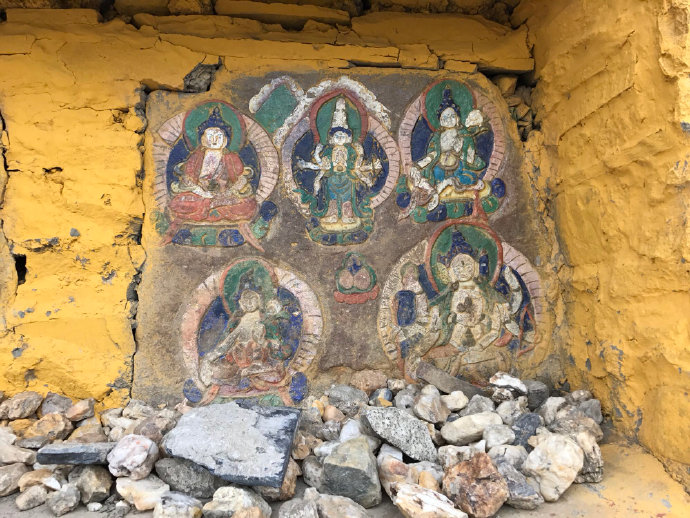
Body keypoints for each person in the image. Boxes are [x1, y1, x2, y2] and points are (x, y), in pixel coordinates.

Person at [169, 108, 257, 223]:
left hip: (225, 196)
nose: (214, 140)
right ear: (202, 139)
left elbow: (241, 179)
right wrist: (201, 192)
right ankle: (213, 208)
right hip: (201, 195)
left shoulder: (231, 158)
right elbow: (187, 179)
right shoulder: (196, 157)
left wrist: (229, 191)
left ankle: (210, 207)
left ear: (225, 140)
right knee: (178, 203)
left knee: (248, 205)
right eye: (210, 136)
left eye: (218, 136)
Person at [413, 87, 487, 196]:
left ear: (457, 119)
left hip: (458, 166)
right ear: (441, 121)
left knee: (470, 178)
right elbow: (433, 153)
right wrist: (420, 165)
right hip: (440, 166)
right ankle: (442, 185)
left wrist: (460, 150)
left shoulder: (464, 135)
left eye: (452, 116)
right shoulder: (437, 136)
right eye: (445, 117)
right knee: (428, 175)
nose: (449, 120)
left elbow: (470, 155)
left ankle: (451, 182)